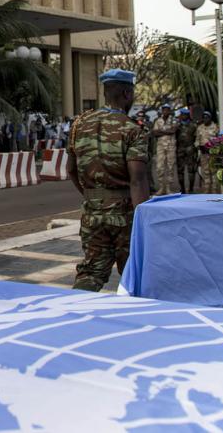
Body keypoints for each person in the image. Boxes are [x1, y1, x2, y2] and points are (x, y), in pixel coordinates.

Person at [65, 69, 150, 291]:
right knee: (134, 273)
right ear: (126, 93)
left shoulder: (79, 125)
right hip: (125, 215)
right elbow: (138, 181)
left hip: (92, 213)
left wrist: (91, 196)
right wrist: (143, 222)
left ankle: (75, 318)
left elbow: (71, 170)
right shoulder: (132, 130)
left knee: (90, 273)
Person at [151, 104, 179, 195]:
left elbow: (173, 131)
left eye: (167, 110)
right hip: (160, 147)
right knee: (159, 167)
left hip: (171, 146)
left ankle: (168, 188)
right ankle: (161, 187)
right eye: (164, 110)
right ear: (162, 111)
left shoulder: (174, 120)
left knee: (170, 167)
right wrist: (167, 131)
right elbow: (155, 133)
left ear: (170, 111)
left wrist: (161, 131)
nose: (166, 111)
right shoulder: (158, 121)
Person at [194, 110, 219, 192]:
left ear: (210, 118)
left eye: (207, 117)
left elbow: (219, 140)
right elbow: (197, 140)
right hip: (203, 153)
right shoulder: (199, 128)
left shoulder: (215, 127)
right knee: (205, 171)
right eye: (204, 117)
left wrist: (213, 147)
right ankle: (207, 190)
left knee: (214, 171)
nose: (205, 119)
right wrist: (198, 146)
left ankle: (214, 190)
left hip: (212, 153)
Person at [175, 108, 197, 193]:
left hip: (190, 148)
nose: (182, 116)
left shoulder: (193, 125)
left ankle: (191, 188)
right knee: (180, 170)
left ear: (187, 115)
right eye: (181, 114)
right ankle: (182, 189)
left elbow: (196, 137)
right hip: (180, 149)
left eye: (184, 114)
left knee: (191, 170)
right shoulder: (177, 125)